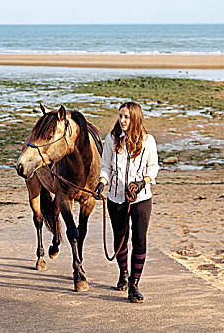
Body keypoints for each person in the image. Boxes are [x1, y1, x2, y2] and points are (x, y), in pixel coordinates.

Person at [94, 101, 159, 303]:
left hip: (141, 199)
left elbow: (153, 167)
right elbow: (105, 166)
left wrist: (142, 183)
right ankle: (123, 272)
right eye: (120, 116)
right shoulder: (112, 139)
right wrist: (101, 183)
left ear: (135, 119)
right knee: (120, 239)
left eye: (126, 117)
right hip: (116, 197)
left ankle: (134, 285)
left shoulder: (148, 141)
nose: (121, 120)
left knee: (139, 242)